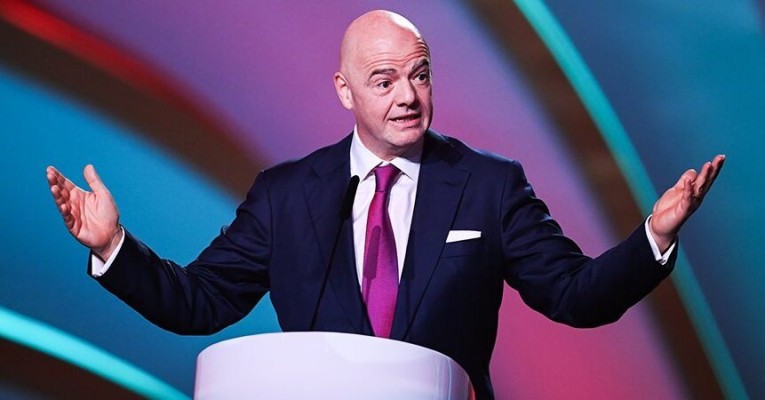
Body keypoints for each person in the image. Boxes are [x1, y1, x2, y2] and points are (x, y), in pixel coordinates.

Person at [46, 10, 724, 399]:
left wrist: (653, 237)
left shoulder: (488, 185)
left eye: (419, 74)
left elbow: (576, 295)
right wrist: (112, 247)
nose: (408, 95)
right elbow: (199, 303)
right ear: (345, 91)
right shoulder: (286, 195)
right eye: (384, 80)